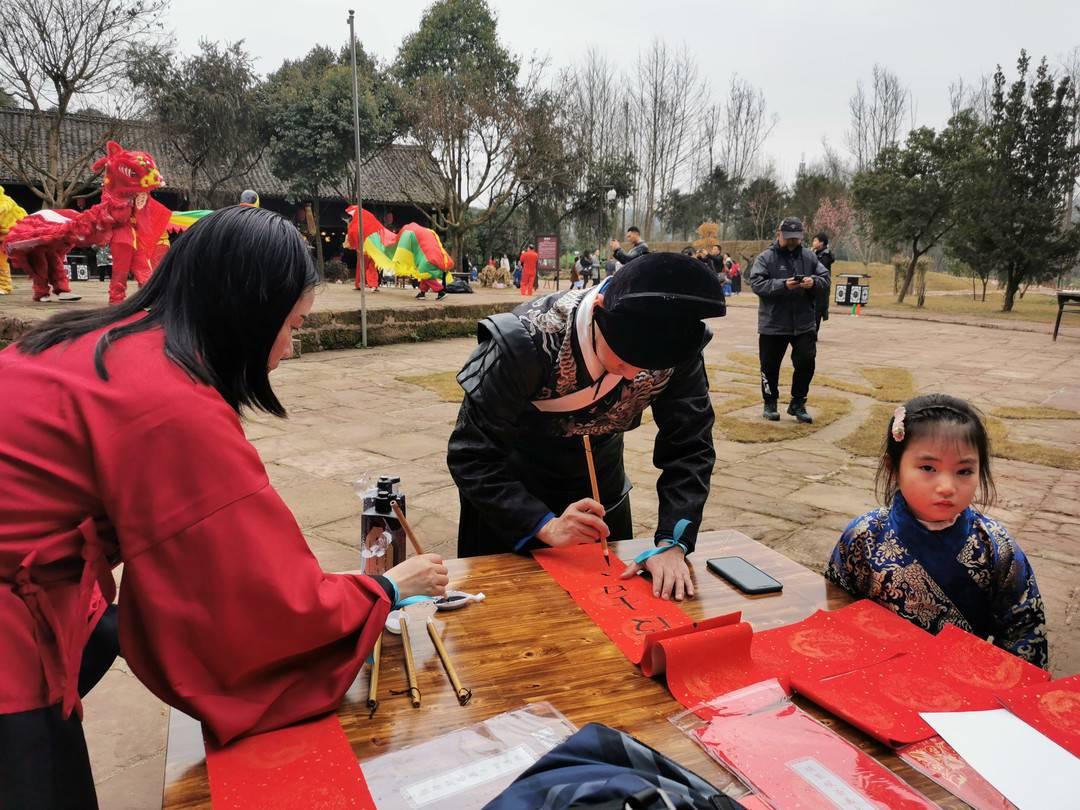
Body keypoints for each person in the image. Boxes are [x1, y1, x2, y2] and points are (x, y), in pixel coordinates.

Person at [0, 206, 449, 808]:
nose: (291, 348)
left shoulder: (102, 341)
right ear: (248, 315)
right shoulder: (164, 403)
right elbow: (258, 605)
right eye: (293, 325)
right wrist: (384, 592)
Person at [447, 252, 726, 601]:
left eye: (647, 369)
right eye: (623, 359)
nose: (631, 375)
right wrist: (545, 525)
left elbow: (690, 445)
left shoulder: (678, 346)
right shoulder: (524, 341)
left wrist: (672, 542)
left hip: (601, 486)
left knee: (609, 612)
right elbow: (470, 455)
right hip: (512, 490)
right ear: (597, 312)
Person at [826, 395, 1047, 668]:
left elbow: (1024, 632)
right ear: (893, 468)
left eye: (963, 471)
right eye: (928, 468)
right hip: (874, 672)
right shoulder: (864, 535)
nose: (946, 486)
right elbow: (838, 609)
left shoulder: (996, 546)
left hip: (961, 681)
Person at [749, 217, 830, 424]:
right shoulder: (766, 258)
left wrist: (814, 282)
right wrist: (783, 285)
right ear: (779, 234)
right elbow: (757, 283)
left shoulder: (810, 257)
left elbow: (826, 279)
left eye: (796, 238)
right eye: (788, 238)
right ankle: (770, 402)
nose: (792, 242)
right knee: (769, 366)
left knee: (806, 362)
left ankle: (798, 402)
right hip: (773, 323)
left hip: (803, 323)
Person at [811, 233, 834, 332]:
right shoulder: (817, 254)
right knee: (814, 310)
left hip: (821, 287)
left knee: (817, 311)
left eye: (815, 240)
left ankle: (813, 333)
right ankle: (812, 332)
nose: (813, 243)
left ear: (821, 243)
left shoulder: (824, 256)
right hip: (815, 286)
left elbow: (820, 272)